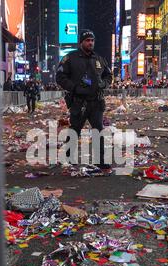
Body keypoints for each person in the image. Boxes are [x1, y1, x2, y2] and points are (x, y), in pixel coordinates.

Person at [56, 29, 112, 170]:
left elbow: (109, 76)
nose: (90, 43)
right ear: (81, 42)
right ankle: (68, 158)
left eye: (92, 40)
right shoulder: (70, 58)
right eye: (87, 40)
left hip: (96, 102)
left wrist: (103, 84)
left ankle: (100, 160)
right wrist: (74, 88)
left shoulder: (99, 59)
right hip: (79, 102)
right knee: (74, 130)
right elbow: (60, 77)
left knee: (98, 131)